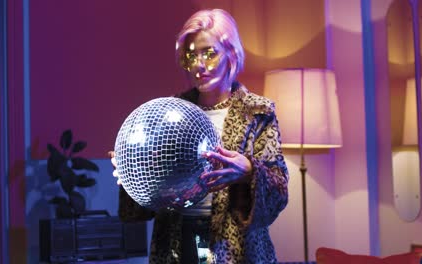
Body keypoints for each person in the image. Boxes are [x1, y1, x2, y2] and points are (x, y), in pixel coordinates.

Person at [110, 9, 289, 263]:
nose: (199, 65)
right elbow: (146, 202)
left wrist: (249, 170)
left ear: (231, 53)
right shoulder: (168, 114)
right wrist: (131, 170)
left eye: (209, 53)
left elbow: (279, 190)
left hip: (238, 248)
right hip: (176, 241)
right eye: (191, 55)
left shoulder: (257, 112)